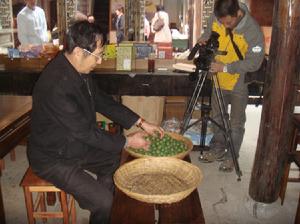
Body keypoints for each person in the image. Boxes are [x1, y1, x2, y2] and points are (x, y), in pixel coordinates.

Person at [28, 20, 164, 224]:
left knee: (117, 161)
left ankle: (102, 203)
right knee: (104, 202)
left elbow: (101, 101)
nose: (100, 61)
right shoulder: (55, 86)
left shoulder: (78, 69)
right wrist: (127, 141)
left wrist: (141, 122)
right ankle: (103, 204)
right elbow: (86, 133)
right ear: (78, 52)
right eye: (98, 55)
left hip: (75, 144)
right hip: (53, 157)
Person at [198, 0, 264, 172]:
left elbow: (255, 62)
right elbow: (208, 33)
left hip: (238, 81)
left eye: (228, 22)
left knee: (236, 123)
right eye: (220, 21)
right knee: (217, 117)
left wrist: (226, 67)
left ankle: (231, 156)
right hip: (217, 78)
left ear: (238, 14)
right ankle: (217, 149)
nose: (223, 25)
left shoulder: (253, 30)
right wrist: (204, 40)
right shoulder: (216, 17)